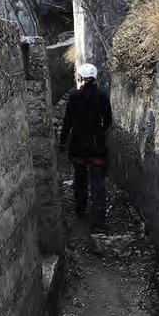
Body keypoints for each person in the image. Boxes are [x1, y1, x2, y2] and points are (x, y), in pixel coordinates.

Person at [59, 63, 113, 230]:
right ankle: (99, 221)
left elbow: (67, 122)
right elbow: (108, 120)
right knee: (97, 183)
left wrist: (62, 142)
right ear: (95, 78)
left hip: (79, 146)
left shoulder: (74, 96)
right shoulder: (103, 95)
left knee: (80, 178)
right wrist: (100, 132)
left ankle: (80, 208)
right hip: (97, 146)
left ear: (80, 78)